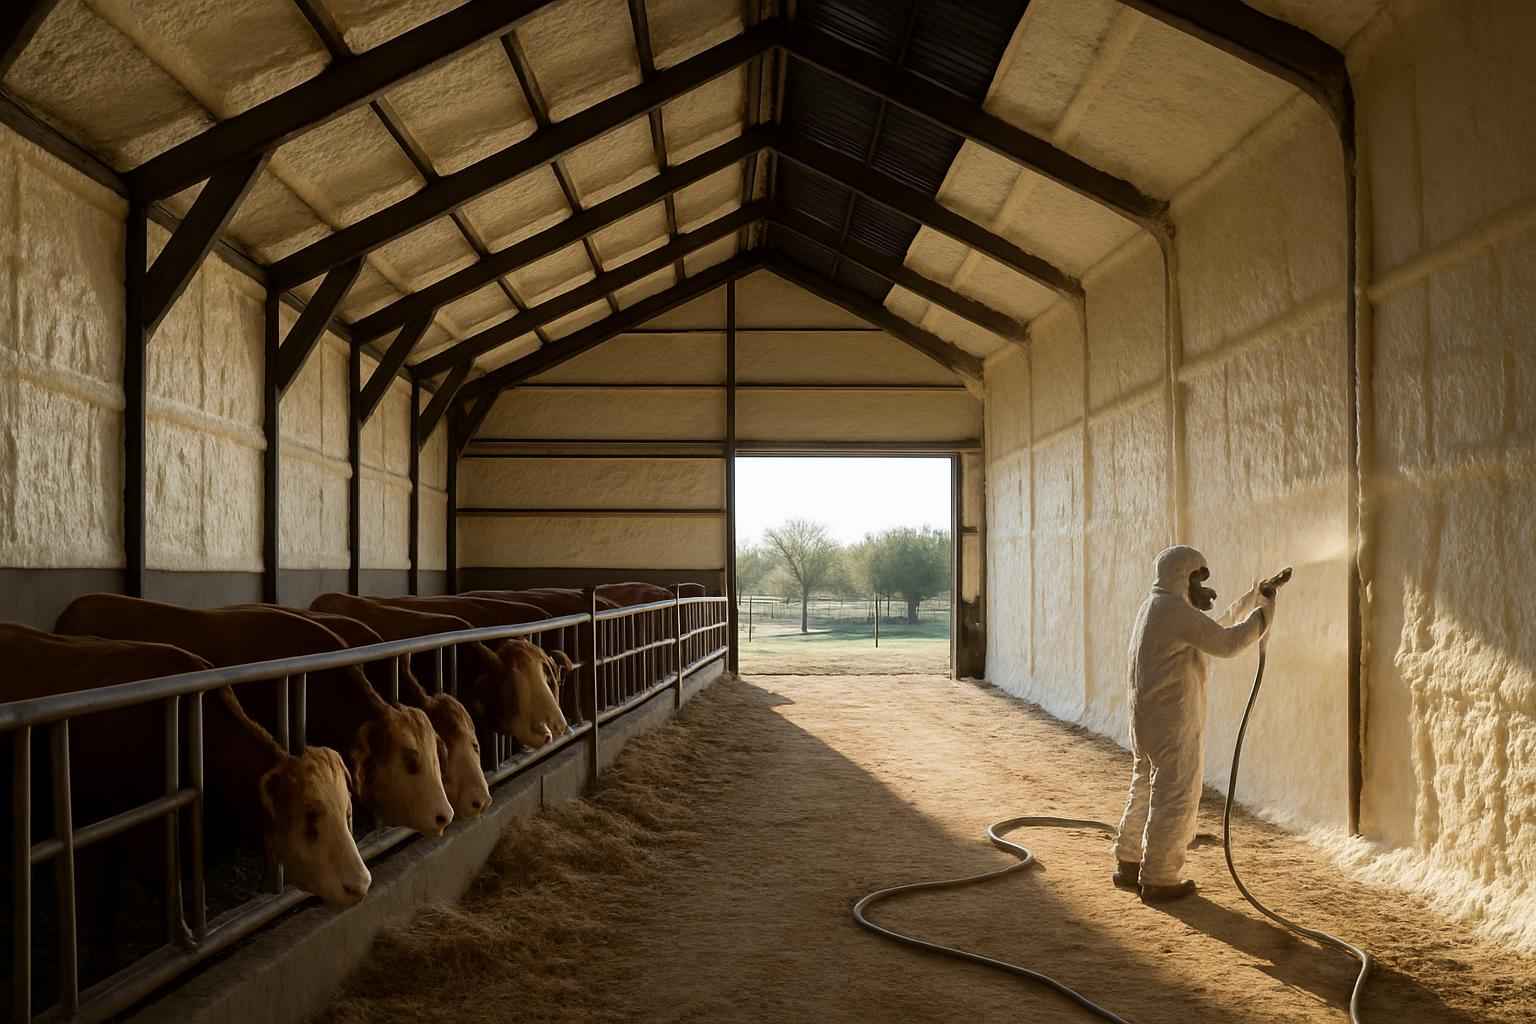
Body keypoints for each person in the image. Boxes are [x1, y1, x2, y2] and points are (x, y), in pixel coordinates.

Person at [1112, 545, 1277, 902]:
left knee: (1144, 787)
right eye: (1199, 580)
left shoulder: (1156, 606)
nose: (1206, 590)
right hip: (1171, 723)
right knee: (1175, 794)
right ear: (1183, 578)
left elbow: (1207, 630)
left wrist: (1250, 600)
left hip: (1146, 722)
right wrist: (1263, 618)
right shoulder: (1174, 611)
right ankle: (1159, 877)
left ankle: (1129, 860)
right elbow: (1227, 643)